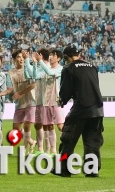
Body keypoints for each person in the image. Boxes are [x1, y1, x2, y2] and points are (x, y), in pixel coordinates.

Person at [54, 45, 103, 178]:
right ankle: (92, 170)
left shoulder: (68, 68)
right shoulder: (92, 66)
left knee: (68, 139)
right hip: (97, 109)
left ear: (66, 57)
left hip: (81, 108)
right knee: (92, 141)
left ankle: (64, 169)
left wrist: (62, 101)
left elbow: (66, 90)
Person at [38, 49, 65, 155]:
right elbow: (34, 76)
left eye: (53, 55)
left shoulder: (61, 69)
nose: (51, 57)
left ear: (58, 58)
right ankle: (52, 150)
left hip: (57, 100)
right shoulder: (46, 68)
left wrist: (40, 61)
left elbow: (50, 73)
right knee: (49, 126)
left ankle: (66, 147)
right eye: (50, 55)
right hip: (46, 100)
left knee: (60, 126)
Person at [10, 50, 37, 153]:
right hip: (19, 103)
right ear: (14, 60)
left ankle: (25, 150)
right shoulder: (11, 72)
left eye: (22, 57)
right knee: (16, 129)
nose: (21, 59)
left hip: (31, 101)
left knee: (26, 125)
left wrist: (20, 93)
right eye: (18, 57)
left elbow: (33, 85)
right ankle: (31, 141)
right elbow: (10, 87)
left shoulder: (28, 69)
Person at [29, 49, 49, 155]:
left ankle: (49, 149)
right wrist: (34, 63)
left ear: (40, 55)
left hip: (47, 101)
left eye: (36, 54)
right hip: (38, 100)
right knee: (38, 125)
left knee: (47, 125)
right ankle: (40, 149)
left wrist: (38, 63)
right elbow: (33, 77)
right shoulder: (39, 68)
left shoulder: (48, 67)